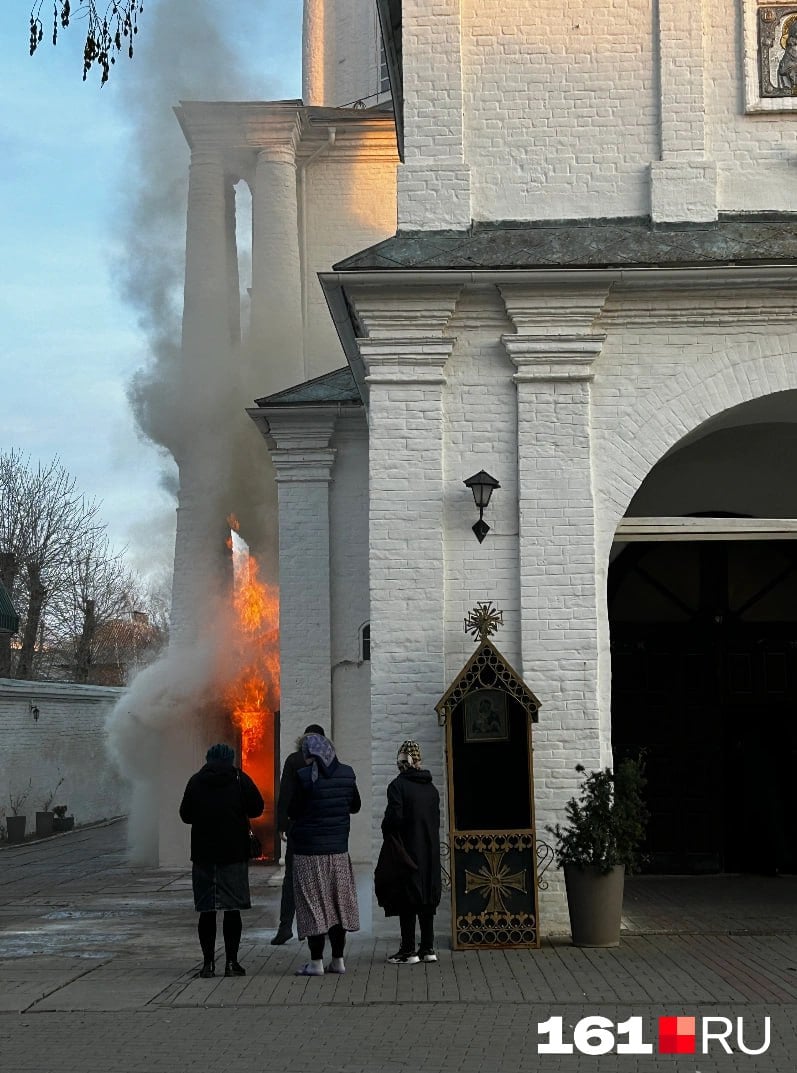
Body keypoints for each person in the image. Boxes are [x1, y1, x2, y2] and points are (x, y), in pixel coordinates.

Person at [179, 742, 264, 978]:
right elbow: (257, 808)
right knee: (232, 910)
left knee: (207, 911)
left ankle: (208, 964)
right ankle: (231, 963)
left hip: (204, 855)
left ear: (208, 758)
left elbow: (185, 815)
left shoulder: (196, 781)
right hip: (234, 855)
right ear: (230, 759)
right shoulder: (239, 779)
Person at [289, 732, 361, 976]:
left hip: (308, 853)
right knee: (338, 905)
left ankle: (316, 962)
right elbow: (355, 805)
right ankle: (338, 960)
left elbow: (293, 810)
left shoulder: (304, 778)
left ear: (310, 755)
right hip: (338, 851)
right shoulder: (347, 773)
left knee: (313, 907)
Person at [377, 740, 441, 965]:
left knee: (407, 900)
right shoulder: (431, 789)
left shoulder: (398, 786)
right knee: (426, 899)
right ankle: (428, 948)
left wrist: (386, 828)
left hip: (407, 849)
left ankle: (408, 950)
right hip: (430, 851)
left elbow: (394, 818)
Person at [270, 722, 326, 945]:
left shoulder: (294, 760)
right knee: (322, 877)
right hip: (322, 828)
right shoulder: (330, 760)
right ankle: (326, 927)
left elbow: (285, 793)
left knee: (291, 878)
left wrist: (282, 825)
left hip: (299, 827)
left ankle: (285, 927)